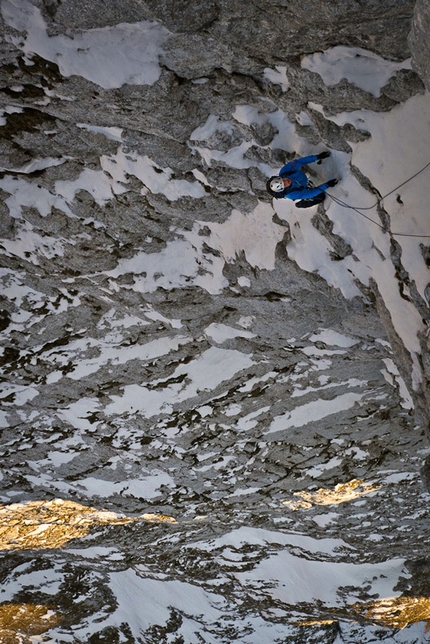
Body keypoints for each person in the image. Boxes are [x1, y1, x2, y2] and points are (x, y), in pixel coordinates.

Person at [266, 151, 338, 208]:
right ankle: (304, 203)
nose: (286, 181)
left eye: (283, 180)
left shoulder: (285, 171)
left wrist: (317, 157)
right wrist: (327, 185)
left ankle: (306, 179)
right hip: (303, 186)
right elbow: (310, 193)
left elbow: (299, 162)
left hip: (301, 177)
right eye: (284, 184)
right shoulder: (291, 194)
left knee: (300, 169)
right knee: (321, 197)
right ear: (283, 189)